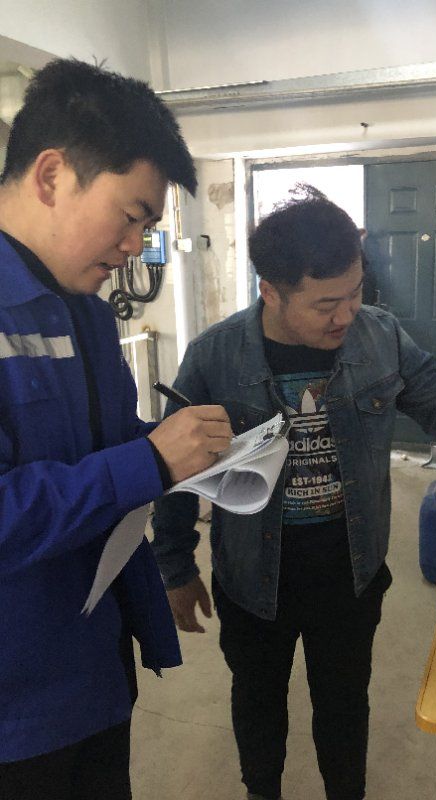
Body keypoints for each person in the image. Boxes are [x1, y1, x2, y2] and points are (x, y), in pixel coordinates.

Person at [151, 185, 436, 800]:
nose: (346, 315)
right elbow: (175, 470)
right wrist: (176, 567)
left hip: (349, 567)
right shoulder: (215, 355)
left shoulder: (379, 336)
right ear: (271, 292)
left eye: (355, 293)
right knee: (257, 699)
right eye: (325, 304)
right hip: (253, 573)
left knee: (343, 703)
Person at [0, 59, 232, 799]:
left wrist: (184, 450)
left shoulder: (89, 313)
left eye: (148, 227)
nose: (136, 246)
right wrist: (149, 464)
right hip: (16, 711)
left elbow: (96, 447)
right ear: (51, 175)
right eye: (129, 216)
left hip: (97, 667)